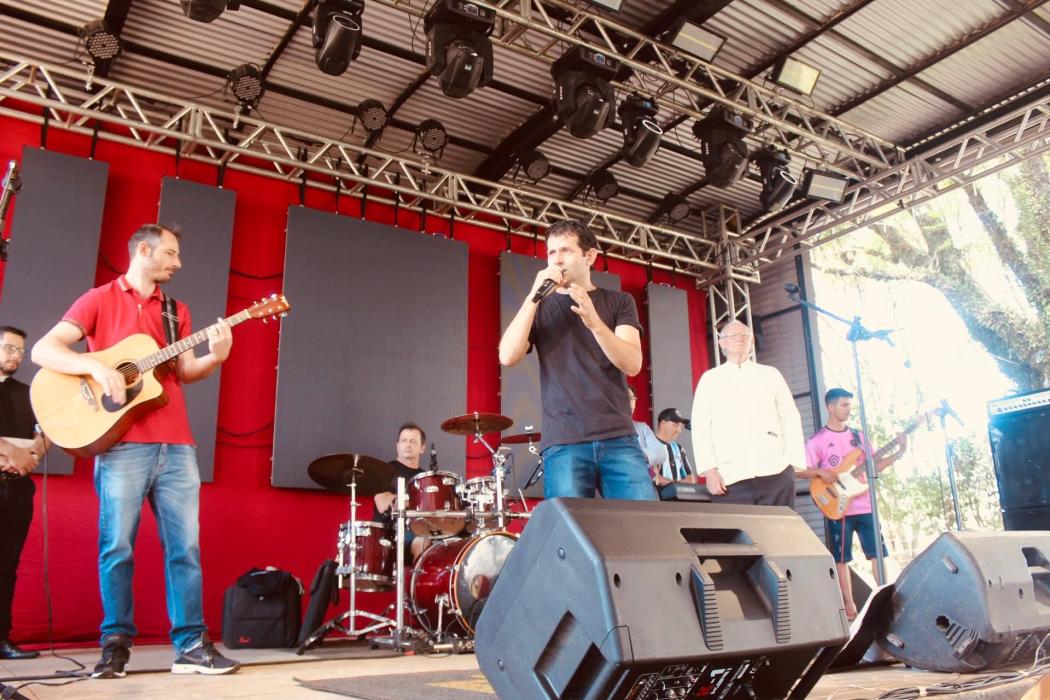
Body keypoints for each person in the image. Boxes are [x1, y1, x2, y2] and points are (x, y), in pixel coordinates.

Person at [31, 224, 239, 678]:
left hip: (178, 446)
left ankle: (190, 645)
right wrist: (95, 368)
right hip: (121, 445)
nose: (178, 263)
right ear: (144, 250)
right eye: (171, 253)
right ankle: (116, 646)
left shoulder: (176, 311)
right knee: (117, 547)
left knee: (185, 549)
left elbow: (185, 371)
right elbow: (44, 351)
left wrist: (215, 357)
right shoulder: (98, 299)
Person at [498, 219, 654, 501]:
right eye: (551, 252)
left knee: (641, 522)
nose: (556, 259)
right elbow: (507, 356)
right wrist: (533, 296)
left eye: (566, 251)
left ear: (589, 256)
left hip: (617, 436)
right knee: (570, 525)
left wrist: (595, 322)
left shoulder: (620, 302)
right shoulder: (539, 307)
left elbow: (632, 363)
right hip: (564, 440)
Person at [797, 387, 906, 618]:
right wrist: (820, 472)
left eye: (850, 405)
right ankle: (849, 606)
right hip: (838, 508)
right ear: (831, 407)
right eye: (844, 405)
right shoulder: (818, 440)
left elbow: (874, 466)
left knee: (877, 554)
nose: (849, 409)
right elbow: (799, 470)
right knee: (841, 558)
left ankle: (885, 601)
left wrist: (899, 452)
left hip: (865, 505)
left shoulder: (859, 437)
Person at [690, 320, 805, 506]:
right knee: (736, 525)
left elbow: (790, 418)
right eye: (732, 336)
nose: (739, 339)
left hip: (775, 471)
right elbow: (701, 428)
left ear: (752, 341)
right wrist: (709, 470)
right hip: (729, 477)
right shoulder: (710, 379)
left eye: (744, 335)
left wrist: (793, 464)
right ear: (721, 342)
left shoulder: (770, 374)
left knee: (779, 525)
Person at [0, 326, 45, 660]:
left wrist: (32, 456)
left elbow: (47, 430)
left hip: (16, 489)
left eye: (21, 351)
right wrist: (9, 452)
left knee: (6, 566)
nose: (16, 356)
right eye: (9, 348)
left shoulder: (28, 394)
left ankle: (2, 638)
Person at [372, 423, 430, 562]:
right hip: (389, 533)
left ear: (422, 448)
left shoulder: (426, 477)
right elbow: (382, 504)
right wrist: (418, 500)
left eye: (413, 441)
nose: (408, 445)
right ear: (397, 446)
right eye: (404, 440)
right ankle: (417, 577)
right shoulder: (384, 470)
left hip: (419, 530)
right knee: (422, 542)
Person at [643, 408, 695, 487]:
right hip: (655, 494)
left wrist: (674, 486)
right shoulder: (647, 445)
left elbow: (690, 479)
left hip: (676, 494)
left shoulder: (678, 449)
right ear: (663, 423)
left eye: (680, 426)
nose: (679, 430)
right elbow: (650, 475)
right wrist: (676, 486)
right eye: (675, 425)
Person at [628, 386, 661, 467]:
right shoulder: (604, 428)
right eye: (625, 398)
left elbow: (660, 452)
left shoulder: (642, 428)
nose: (629, 402)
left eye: (632, 398)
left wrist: (635, 454)